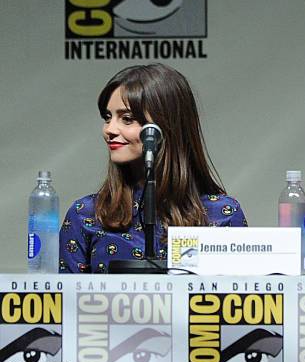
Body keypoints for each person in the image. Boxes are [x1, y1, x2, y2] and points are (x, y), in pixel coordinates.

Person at [59, 64, 246, 273]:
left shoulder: (221, 214)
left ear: (166, 126)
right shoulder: (85, 215)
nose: (109, 130)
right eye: (107, 117)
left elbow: (239, 301)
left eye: (127, 119)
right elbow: (66, 302)